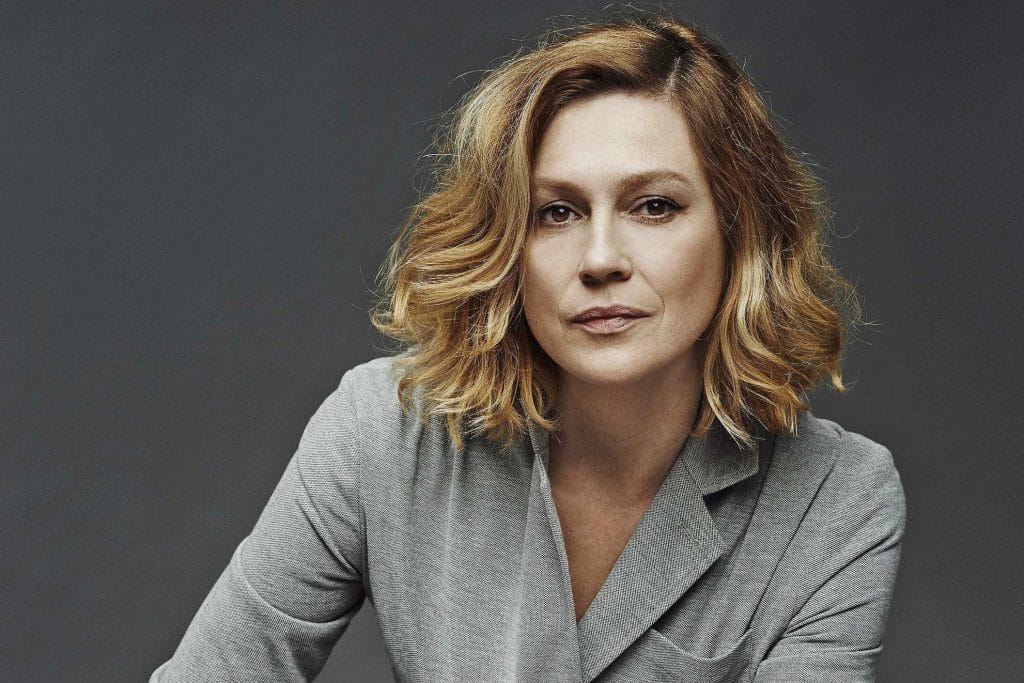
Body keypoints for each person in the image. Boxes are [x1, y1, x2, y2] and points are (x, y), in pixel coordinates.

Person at [151, 11, 906, 682]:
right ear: (508, 245)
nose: (600, 258)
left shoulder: (836, 500)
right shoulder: (383, 432)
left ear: (739, 233)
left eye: (654, 206)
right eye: (556, 213)